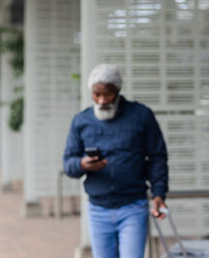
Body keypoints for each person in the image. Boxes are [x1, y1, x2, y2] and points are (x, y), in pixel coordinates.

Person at [63, 64, 168, 258]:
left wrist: (159, 193)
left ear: (118, 91)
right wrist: (82, 165)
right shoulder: (81, 121)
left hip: (133, 208)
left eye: (108, 94)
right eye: (96, 95)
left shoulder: (141, 115)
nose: (102, 100)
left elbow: (157, 157)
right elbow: (68, 163)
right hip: (97, 210)